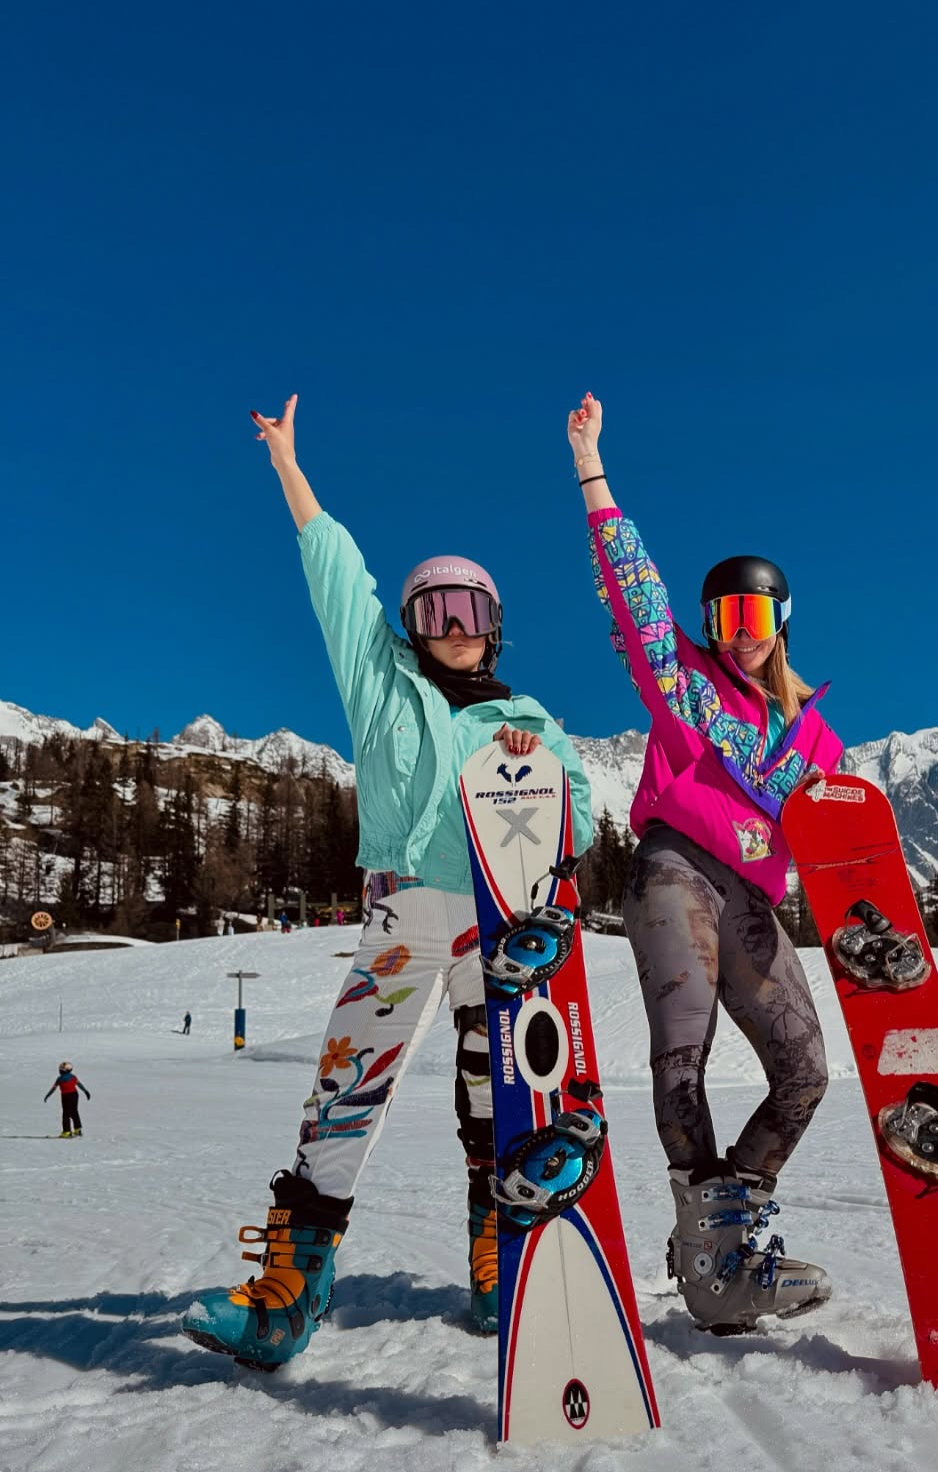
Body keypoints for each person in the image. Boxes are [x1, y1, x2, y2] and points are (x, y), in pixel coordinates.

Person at [182, 393, 592, 1371]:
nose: (454, 628)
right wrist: (286, 463)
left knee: (497, 1095)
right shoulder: (381, 680)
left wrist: (557, 867)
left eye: (471, 612)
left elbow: (569, 799)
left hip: (498, 915)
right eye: (435, 612)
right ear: (411, 626)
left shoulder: (520, 719)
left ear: (495, 627)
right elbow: (334, 570)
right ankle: (292, 1287)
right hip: (406, 907)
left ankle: (505, 1253)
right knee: (344, 1089)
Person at [570, 392, 842, 1334]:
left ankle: (725, 1243)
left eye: (756, 611)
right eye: (724, 610)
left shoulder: (818, 744)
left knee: (804, 1068)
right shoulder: (682, 680)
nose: (740, 626)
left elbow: (841, 849)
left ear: (782, 619)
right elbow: (635, 595)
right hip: (676, 869)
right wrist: (595, 473)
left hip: (755, 901)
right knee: (683, 1056)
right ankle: (714, 1252)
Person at [44, 1062, 91, 1138]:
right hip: (75, 1095)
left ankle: (67, 1132)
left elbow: (53, 1088)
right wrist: (86, 1091)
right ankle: (78, 1129)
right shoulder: (73, 1077)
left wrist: (47, 1096)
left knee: (66, 1114)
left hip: (66, 1096)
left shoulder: (60, 1079)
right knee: (74, 1111)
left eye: (60, 1069)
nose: (59, 1071)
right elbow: (80, 1085)